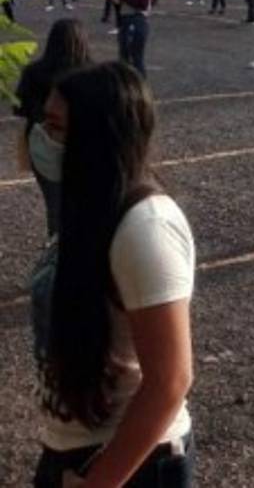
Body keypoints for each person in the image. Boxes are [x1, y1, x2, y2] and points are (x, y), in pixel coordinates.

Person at [30, 61, 196, 487]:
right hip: (73, 449)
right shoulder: (91, 205)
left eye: (55, 127)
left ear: (95, 136)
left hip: (132, 463)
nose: (42, 138)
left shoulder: (146, 227)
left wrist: (99, 482)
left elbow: (170, 380)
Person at [12, 19, 93, 238]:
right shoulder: (93, 73)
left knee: (54, 203)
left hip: (43, 146)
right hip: (83, 146)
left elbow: (19, 108)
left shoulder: (34, 72)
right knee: (86, 201)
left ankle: (57, 249)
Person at [110, 0, 154, 76]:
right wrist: (116, 0)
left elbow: (143, 4)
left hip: (136, 20)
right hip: (126, 20)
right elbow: (123, 4)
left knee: (135, 59)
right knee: (124, 59)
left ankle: (139, 85)